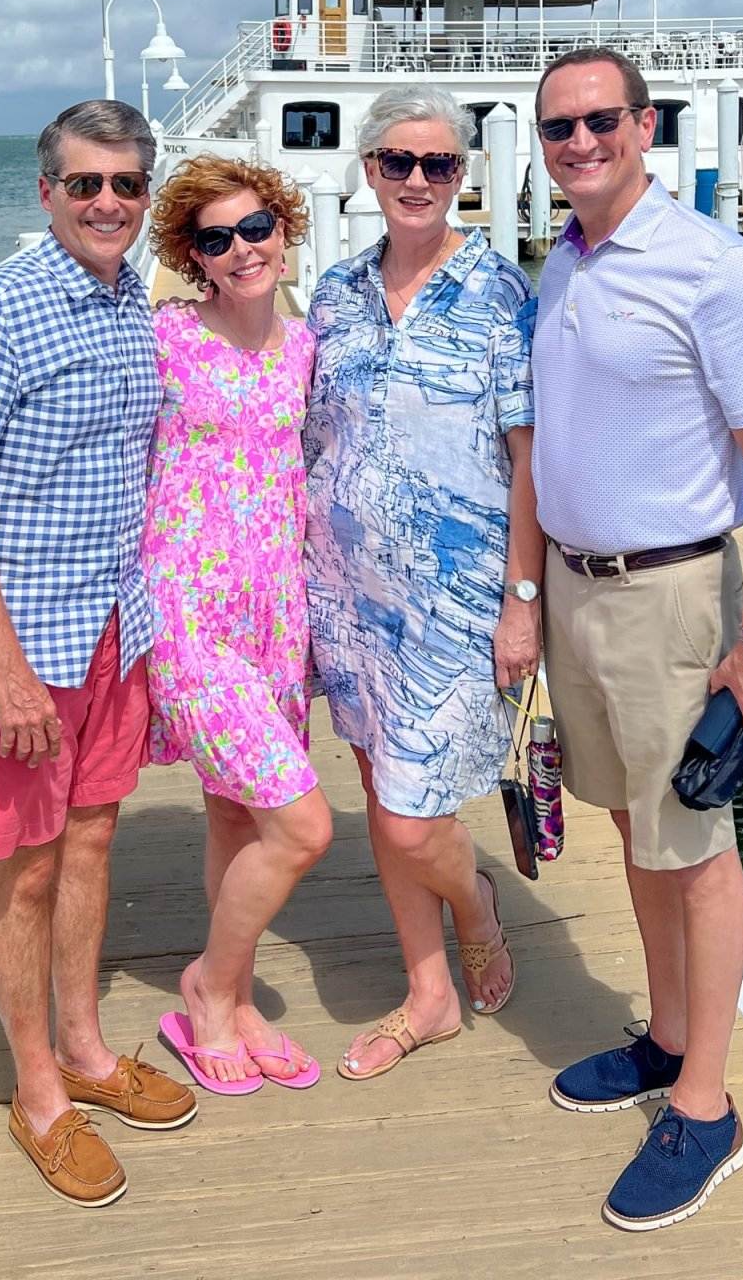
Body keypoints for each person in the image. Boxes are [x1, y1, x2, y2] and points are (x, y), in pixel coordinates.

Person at [530, 48, 743, 1233]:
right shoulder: (561, 260)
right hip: (575, 588)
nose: (579, 140)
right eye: (558, 126)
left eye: (600, 119)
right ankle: (668, 1033)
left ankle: (708, 1105)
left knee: (695, 842)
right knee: (634, 826)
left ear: (644, 125)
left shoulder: (715, 268)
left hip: (676, 594)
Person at [0, 100, 195, 1213]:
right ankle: (39, 1093)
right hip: (13, 639)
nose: (108, 202)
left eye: (126, 183)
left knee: (90, 837)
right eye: (86, 184)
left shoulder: (130, 302)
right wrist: (9, 665)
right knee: (23, 862)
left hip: (110, 621)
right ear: (46, 192)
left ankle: (83, 1043)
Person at [304, 84, 543, 1080]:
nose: (416, 180)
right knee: (376, 787)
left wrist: (523, 600)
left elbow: (533, 458)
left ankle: (477, 907)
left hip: (459, 594)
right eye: (397, 161)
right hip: (347, 595)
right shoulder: (333, 291)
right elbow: (309, 436)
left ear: (462, 175)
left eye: (437, 164)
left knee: (410, 813)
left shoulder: (498, 291)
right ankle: (429, 991)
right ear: (368, 169)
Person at [142, 156, 332, 1093]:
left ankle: (239, 997)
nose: (241, 249)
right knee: (301, 826)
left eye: (255, 228)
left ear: (282, 232)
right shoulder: (166, 337)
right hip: (189, 611)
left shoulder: (305, 346)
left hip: (275, 612)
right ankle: (210, 989)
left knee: (234, 809)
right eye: (215, 239)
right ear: (194, 258)